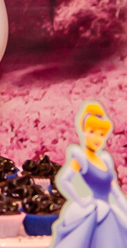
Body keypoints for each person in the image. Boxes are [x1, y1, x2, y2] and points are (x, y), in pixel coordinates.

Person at [50, 101, 127, 247]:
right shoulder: (81, 158)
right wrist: (80, 201)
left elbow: (116, 193)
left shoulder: (105, 160)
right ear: (84, 131)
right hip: (94, 211)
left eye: (101, 134)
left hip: (108, 212)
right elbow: (64, 180)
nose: (97, 138)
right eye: (92, 132)